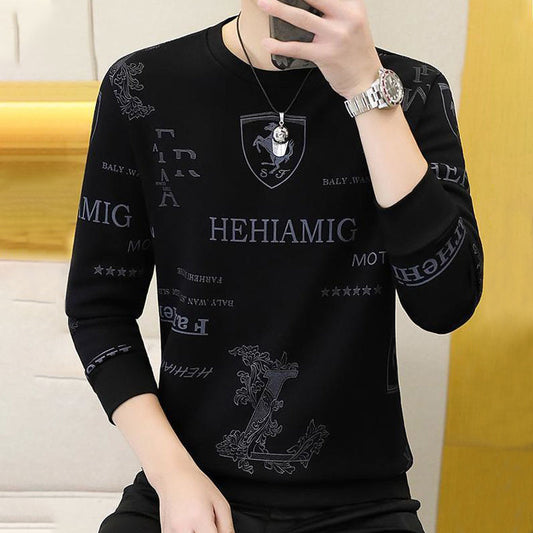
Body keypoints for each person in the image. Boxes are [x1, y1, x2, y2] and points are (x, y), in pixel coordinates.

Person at [65, 0, 484, 531]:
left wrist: (367, 90)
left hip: (361, 498)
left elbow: (446, 304)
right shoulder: (144, 87)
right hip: (193, 481)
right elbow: (98, 311)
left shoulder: (414, 91)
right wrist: (172, 475)